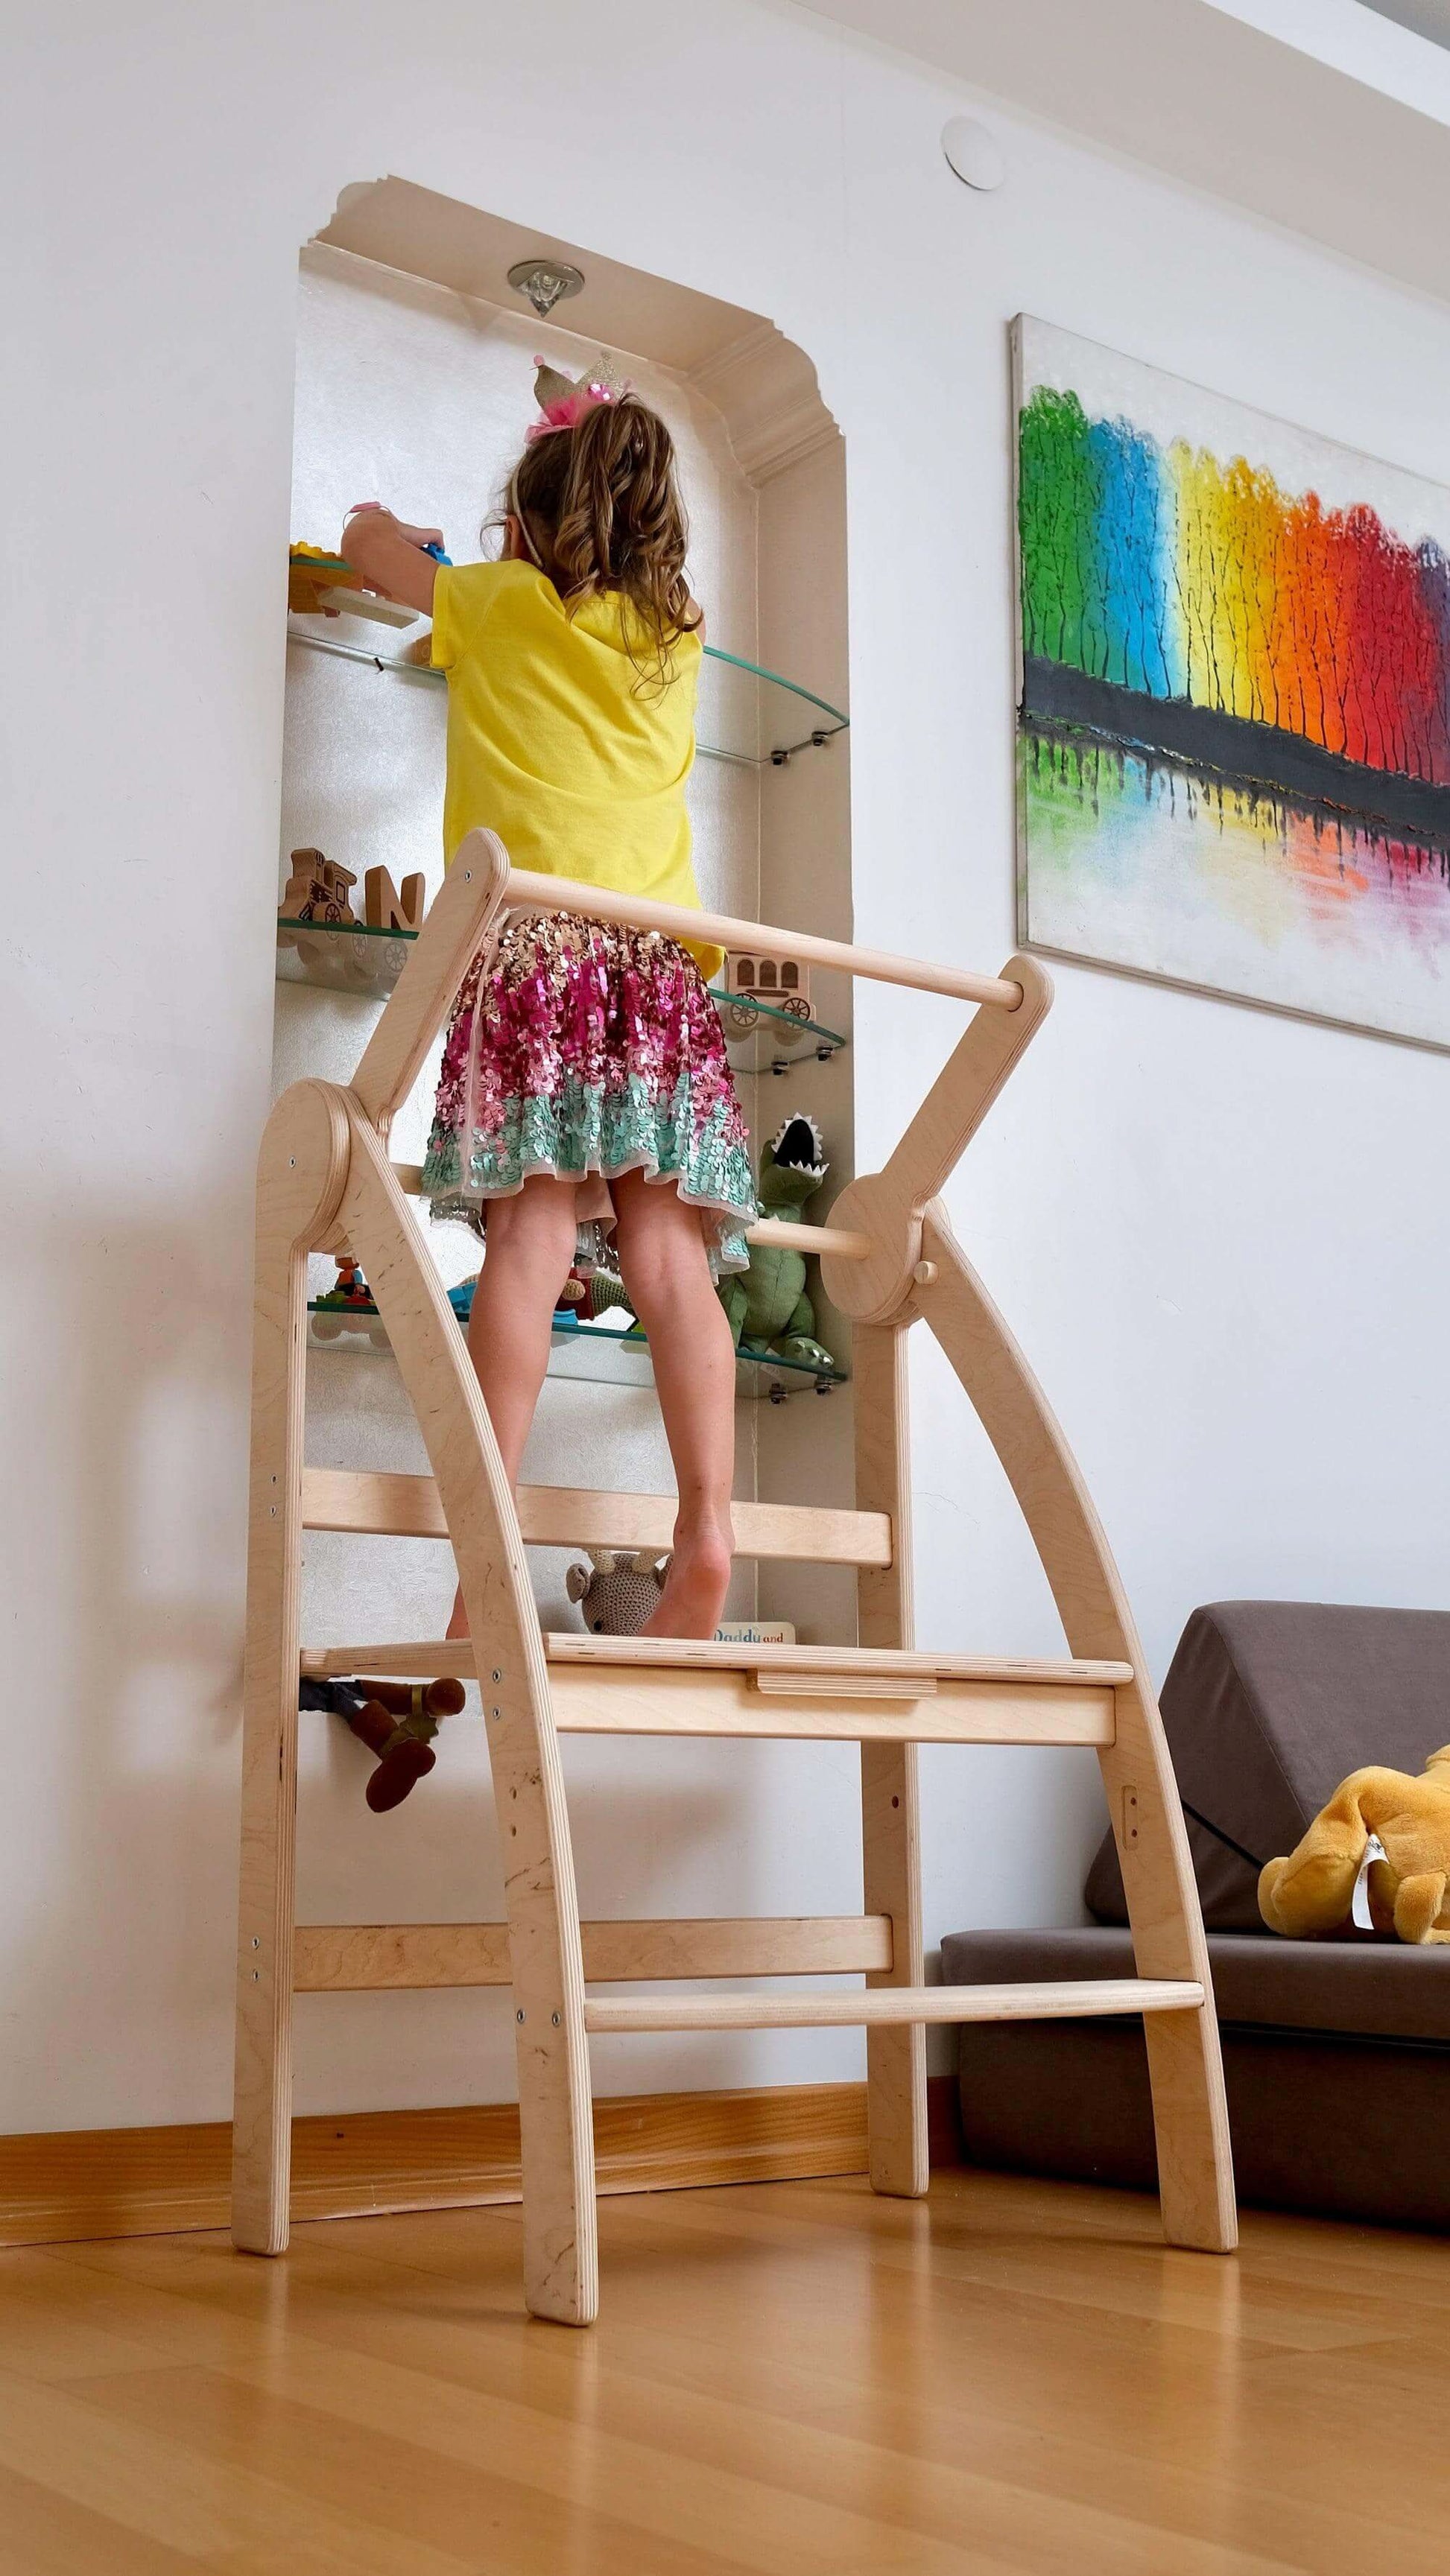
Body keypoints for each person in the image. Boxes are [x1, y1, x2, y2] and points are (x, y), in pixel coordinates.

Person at [339, 372, 754, 1641]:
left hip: (535, 957)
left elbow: (361, 541)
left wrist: (408, 537)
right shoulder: (675, 635)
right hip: (661, 972)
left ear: (523, 527)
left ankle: (486, 1558)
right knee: (669, 1260)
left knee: (524, 1246)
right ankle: (707, 1526)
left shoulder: (496, 600)